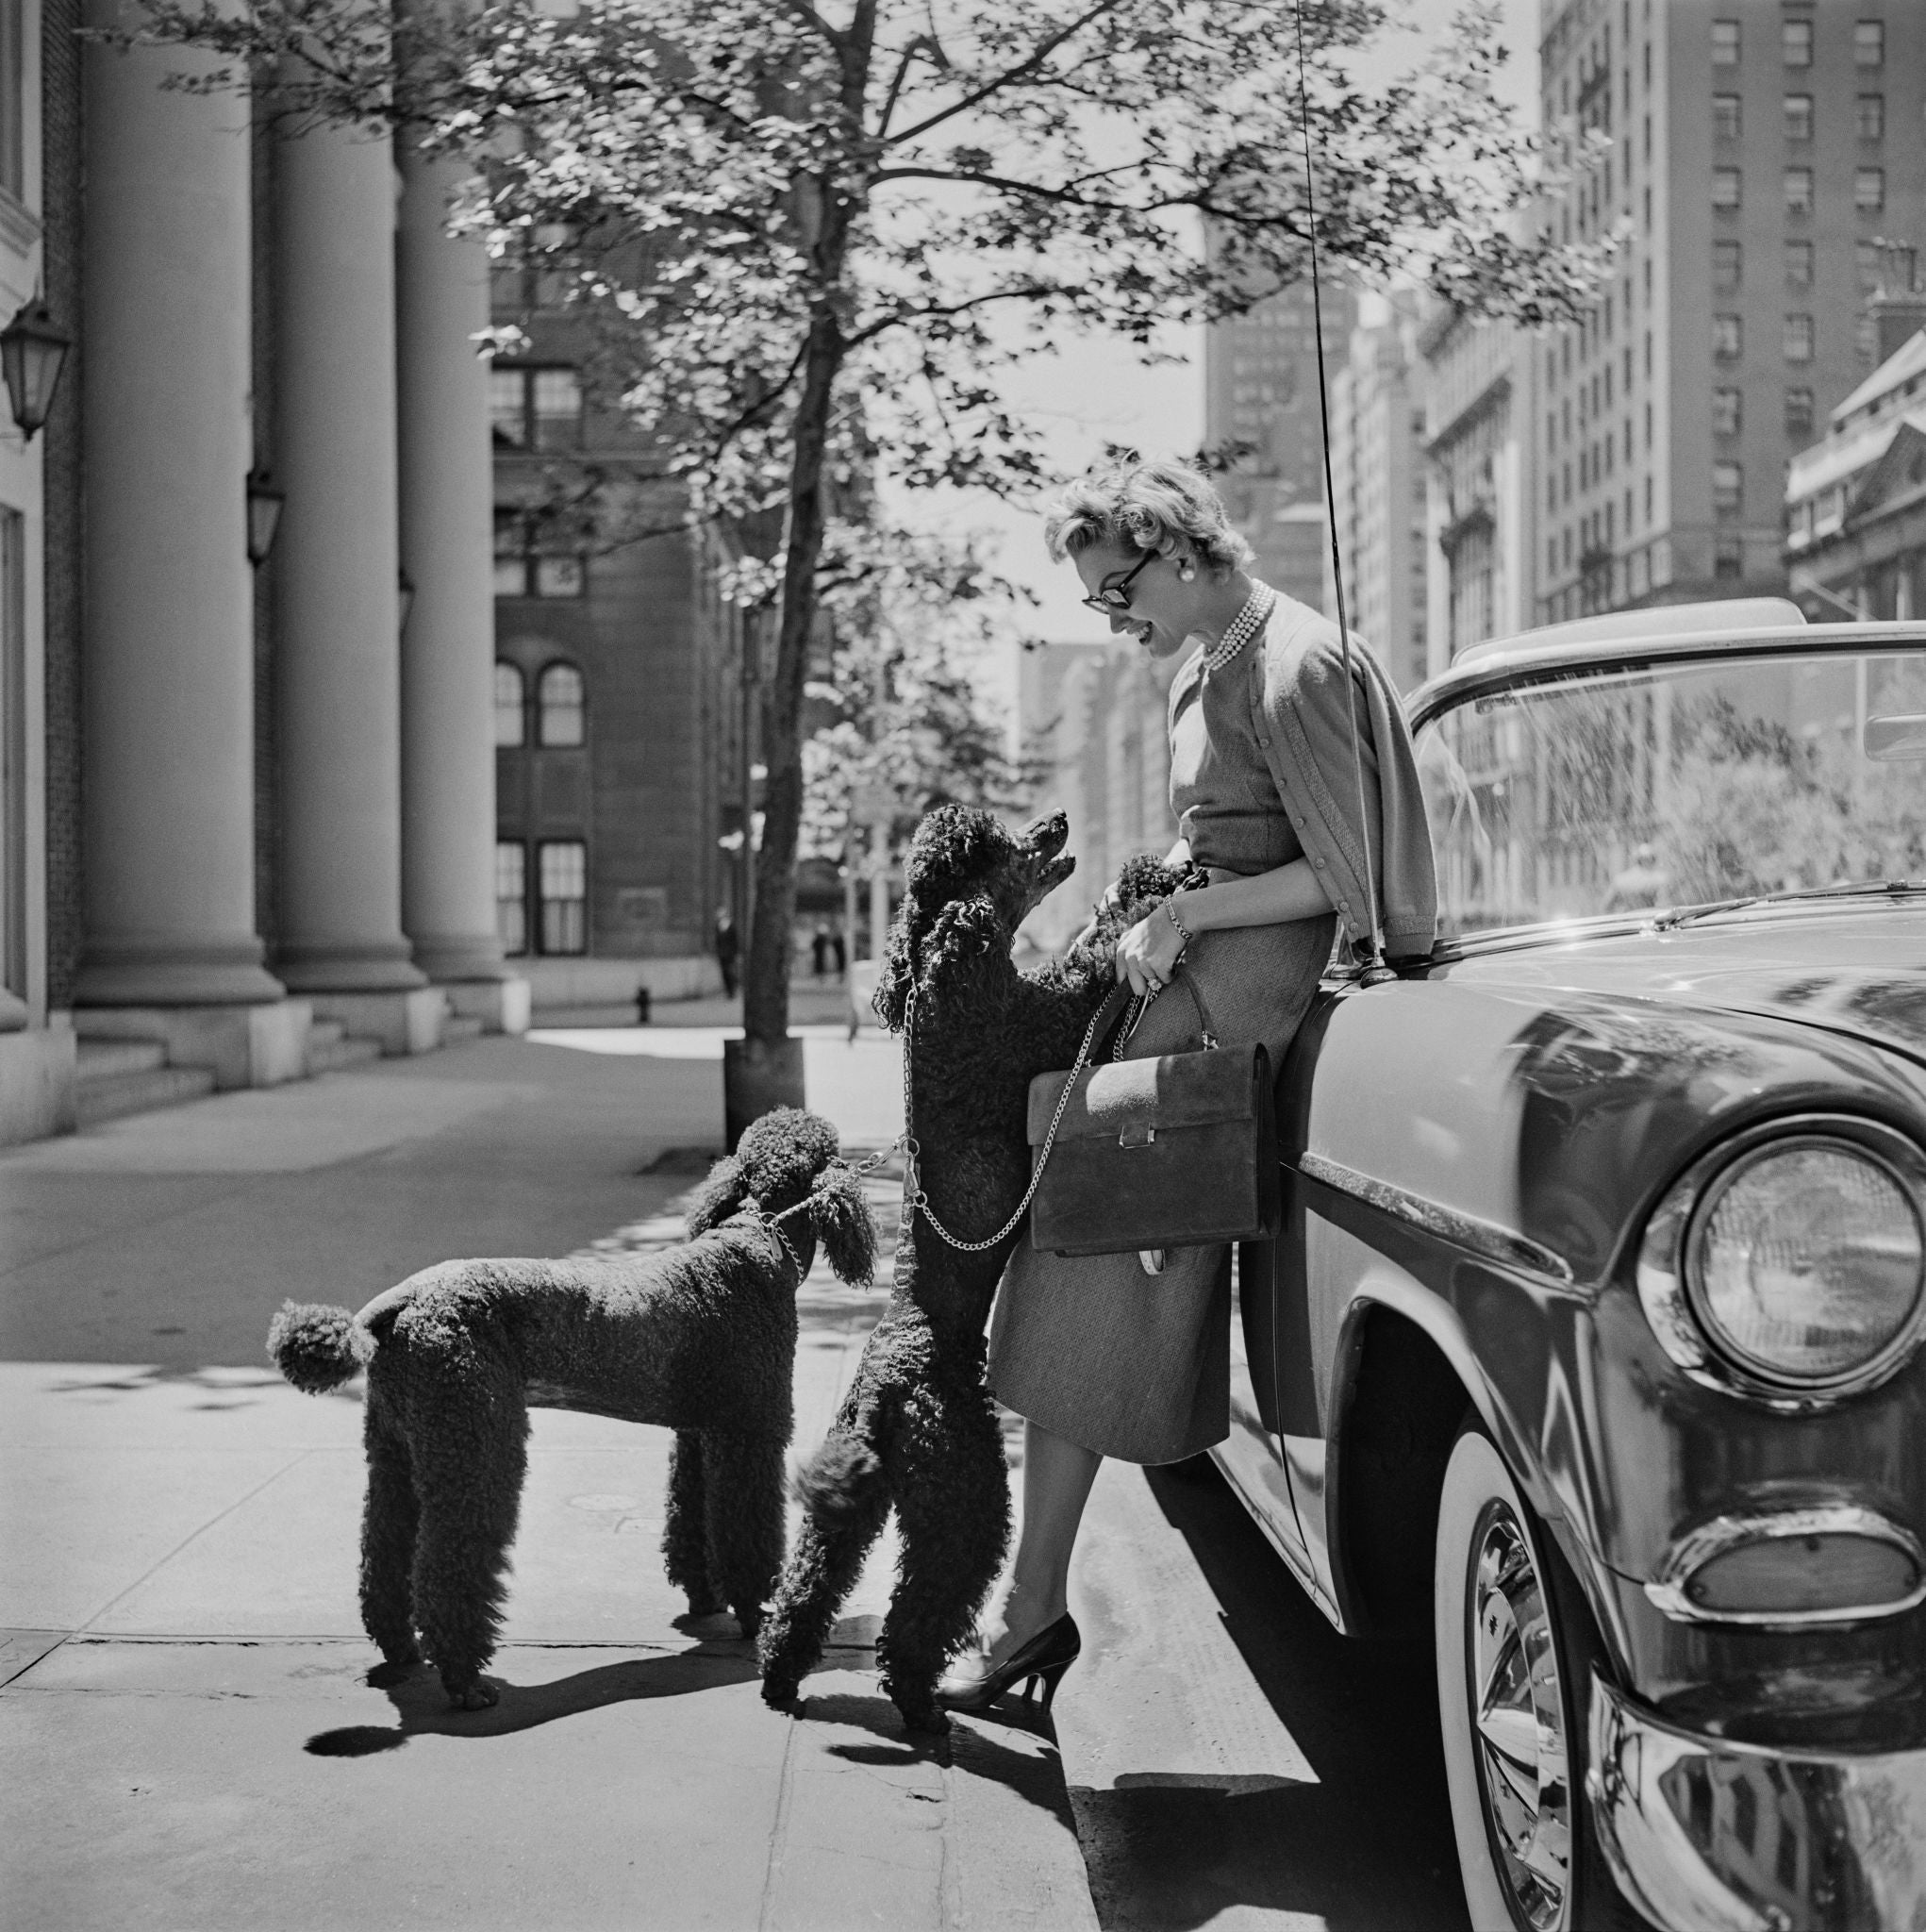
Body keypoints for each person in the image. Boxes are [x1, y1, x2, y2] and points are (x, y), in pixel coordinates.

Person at [938, 455, 1436, 1711]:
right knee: (1074, 1282)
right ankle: (1029, 1605)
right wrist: (1151, 878)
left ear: (1174, 548)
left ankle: (1029, 1611)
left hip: (1227, 1026)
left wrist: (1191, 913)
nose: (1112, 617)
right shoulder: (1209, 664)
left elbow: (1345, 877)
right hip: (1185, 1004)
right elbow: (1223, 828)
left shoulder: (1294, 662)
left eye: (1116, 591)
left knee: (1089, 1280)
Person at [714, 907, 739, 998]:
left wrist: (736, 952)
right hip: (722, 953)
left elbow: (735, 940)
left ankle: (732, 990)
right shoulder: (718, 926)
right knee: (724, 972)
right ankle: (728, 990)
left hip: (730, 953)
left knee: (730, 971)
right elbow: (717, 941)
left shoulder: (731, 926)